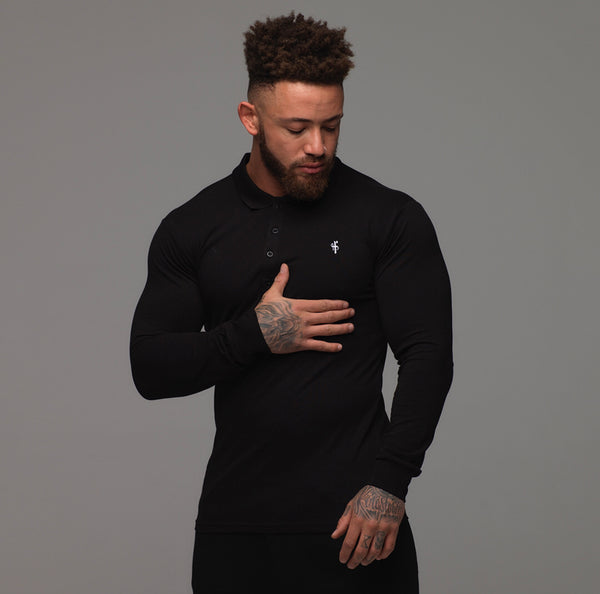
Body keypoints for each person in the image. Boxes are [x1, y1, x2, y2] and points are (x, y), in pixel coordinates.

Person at [130, 12, 453, 594]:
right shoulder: (193, 226)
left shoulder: (389, 217)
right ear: (250, 118)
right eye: (297, 128)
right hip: (236, 529)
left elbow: (428, 355)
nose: (317, 146)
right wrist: (253, 334)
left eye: (332, 125)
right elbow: (150, 368)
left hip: (358, 525)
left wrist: (390, 483)